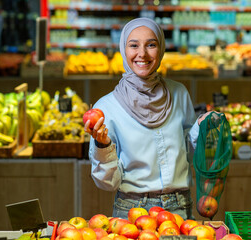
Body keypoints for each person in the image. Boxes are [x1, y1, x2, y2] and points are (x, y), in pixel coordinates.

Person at [84, 17, 210, 220]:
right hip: (132, 210)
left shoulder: (179, 93)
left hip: (180, 207)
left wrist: (202, 129)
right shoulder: (106, 108)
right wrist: (102, 145)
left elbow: (188, 150)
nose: (142, 54)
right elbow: (107, 183)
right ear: (123, 50)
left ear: (161, 49)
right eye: (133, 45)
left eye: (151, 45)